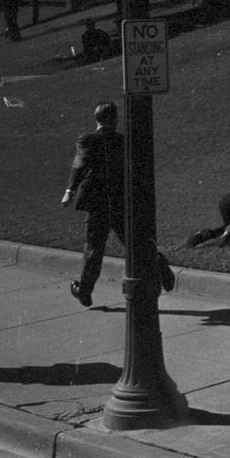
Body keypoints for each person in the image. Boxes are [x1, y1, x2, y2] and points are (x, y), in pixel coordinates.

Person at [60, 101, 176, 305]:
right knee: (134, 243)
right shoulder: (123, 141)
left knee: (94, 248)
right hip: (121, 200)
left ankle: (85, 290)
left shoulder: (87, 140)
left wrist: (69, 191)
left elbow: (79, 166)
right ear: (114, 120)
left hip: (97, 203)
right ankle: (159, 264)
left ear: (96, 119)